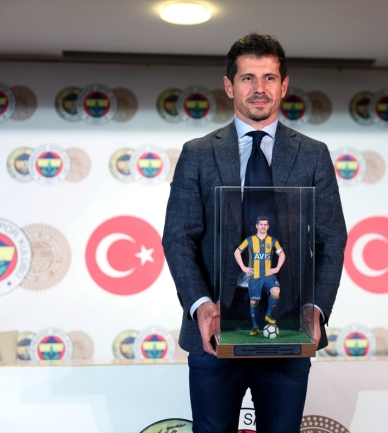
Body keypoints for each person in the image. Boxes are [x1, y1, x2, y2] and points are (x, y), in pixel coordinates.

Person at [163, 33, 347, 433]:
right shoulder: (198, 153)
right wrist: (201, 305)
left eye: (269, 78)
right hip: (214, 333)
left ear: (284, 85)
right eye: (248, 78)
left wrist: (316, 308)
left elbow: (331, 239)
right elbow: (178, 237)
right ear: (229, 86)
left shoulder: (313, 154)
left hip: (289, 329)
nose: (259, 88)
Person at [234, 215, 285, 335]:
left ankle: (268, 315)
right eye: (261, 224)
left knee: (276, 291)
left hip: (268, 274)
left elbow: (282, 254)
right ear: (257, 226)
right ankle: (255, 327)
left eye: (265, 224)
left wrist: (277, 268)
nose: (263, 227)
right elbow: (237, 252)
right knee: (254, 301)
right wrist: (243, 267)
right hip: (254, 276)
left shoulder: (273, 241)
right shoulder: (250, 240)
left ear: (268, 226)